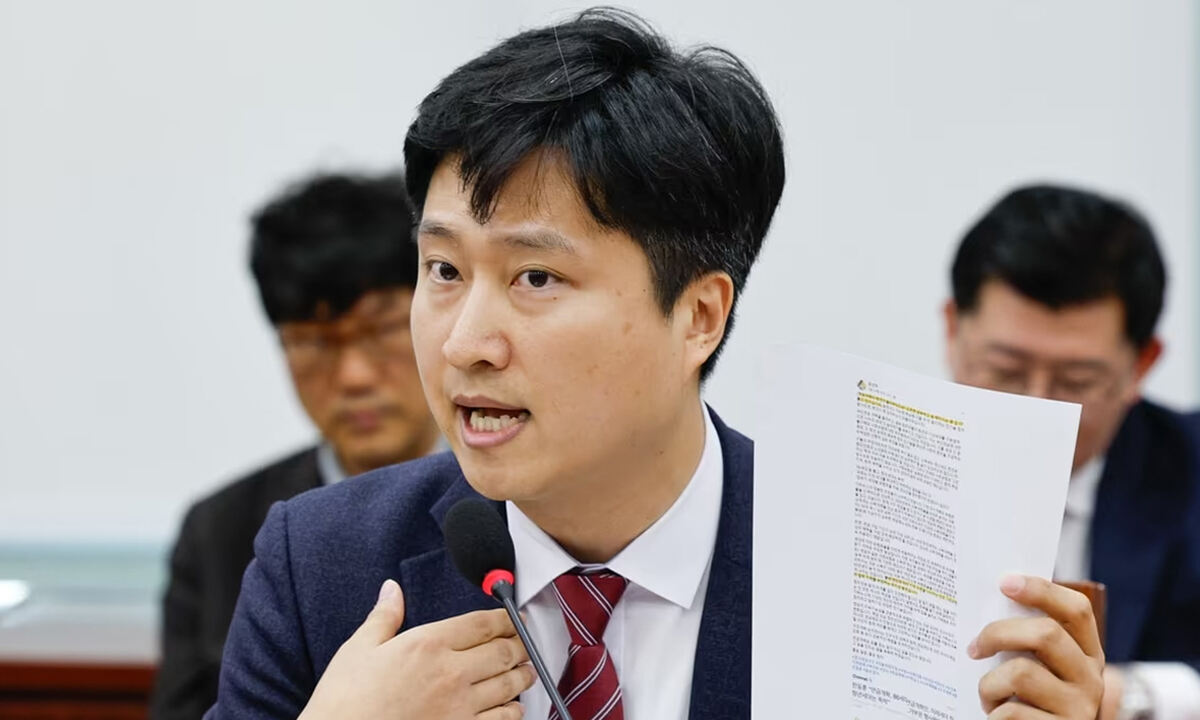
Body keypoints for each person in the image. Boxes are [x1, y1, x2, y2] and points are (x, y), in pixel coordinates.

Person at [209, 11, 1104, 720]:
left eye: (535, 277)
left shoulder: (878, 582)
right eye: (443, 270)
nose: (464, 342)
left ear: (698, 317)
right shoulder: (323, 564)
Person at [151, 172, 441, 720]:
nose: (354, 376)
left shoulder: (513, 500)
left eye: (381, 329)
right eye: (312, 342)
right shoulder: (220, 531)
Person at [944, 183, 1200, 719]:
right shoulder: (868, 463)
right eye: (1006, 371)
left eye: (1076, 381)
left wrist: (1122, 699)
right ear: (952, 331)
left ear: (1141, 365)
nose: (1037, 406)